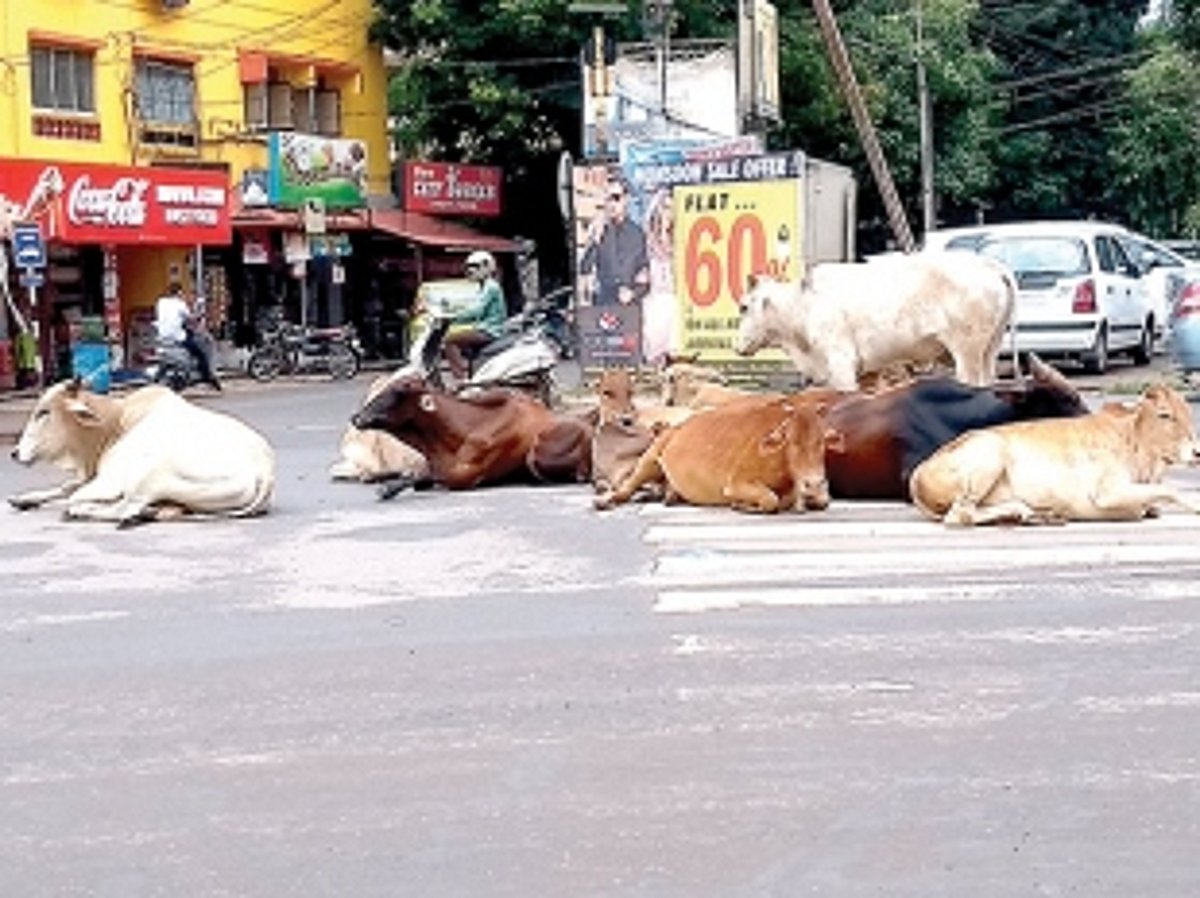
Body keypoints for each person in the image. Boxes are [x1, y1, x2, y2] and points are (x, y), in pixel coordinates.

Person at [578, 177, 650, 306]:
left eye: (616, 198)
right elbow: (585, 268)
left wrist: (633, 293)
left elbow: (645, 277)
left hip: (630, 308)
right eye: (607, 199)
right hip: (603, 305)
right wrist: (595, 239)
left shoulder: (637, 234)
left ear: (626, 199)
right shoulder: (599, 230)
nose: (611, 204)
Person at [443, 250, 508, 380]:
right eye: (469, 267)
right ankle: (473, 377)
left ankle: (460, 380)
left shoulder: (491, 286)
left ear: (487, 266)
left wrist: (453, 318)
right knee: (460, 338)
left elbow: (476, 310)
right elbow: (470, 306)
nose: (471, 270)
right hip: (483, 327)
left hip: (490, 330)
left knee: (449, 340)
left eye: (475, 266)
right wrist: (450, 308)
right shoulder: (483, 287)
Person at [155, 282, 221, 390]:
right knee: (200, 354)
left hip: (162, 336)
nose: (183, 294)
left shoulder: (161, 302)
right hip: (176, 336)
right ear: (179, 292)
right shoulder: (180, 304)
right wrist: (199, 314)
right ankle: (207, 376)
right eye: (182, 292)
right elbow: (191, 318)